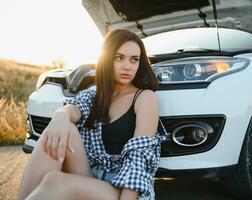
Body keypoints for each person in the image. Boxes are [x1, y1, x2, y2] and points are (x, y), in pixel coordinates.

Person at [17, 29, 166, 200]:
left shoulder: (144, 97)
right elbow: (74, 108)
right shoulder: (96, 94)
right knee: (61, 131)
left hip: (125, 188)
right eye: (119, 58)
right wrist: (60, 116)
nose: (127, 66)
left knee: (55, 181)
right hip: (91, 177)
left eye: (134, 60)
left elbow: (140, 159)